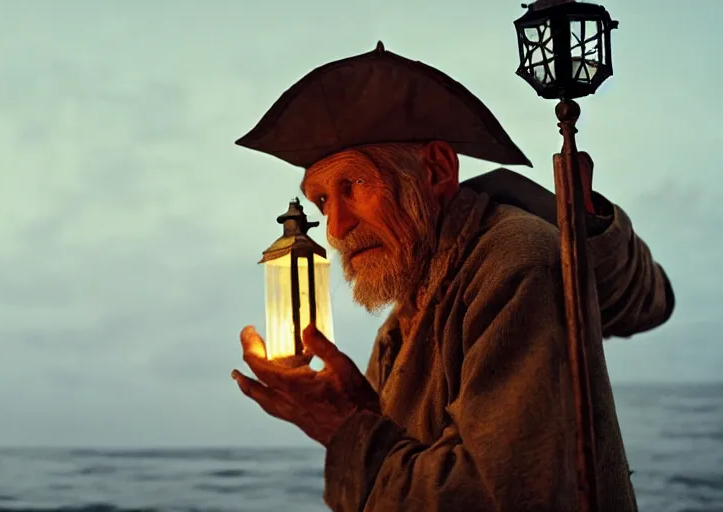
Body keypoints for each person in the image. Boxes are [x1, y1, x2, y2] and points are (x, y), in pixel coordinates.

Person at [231, 42, 674, 512]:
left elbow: (499, 494)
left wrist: (347, 431)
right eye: (322, 200)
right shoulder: (399, 325)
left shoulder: (513, 264)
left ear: (438, 171)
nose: (337, 228)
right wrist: (357, 415)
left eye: (355, 184)